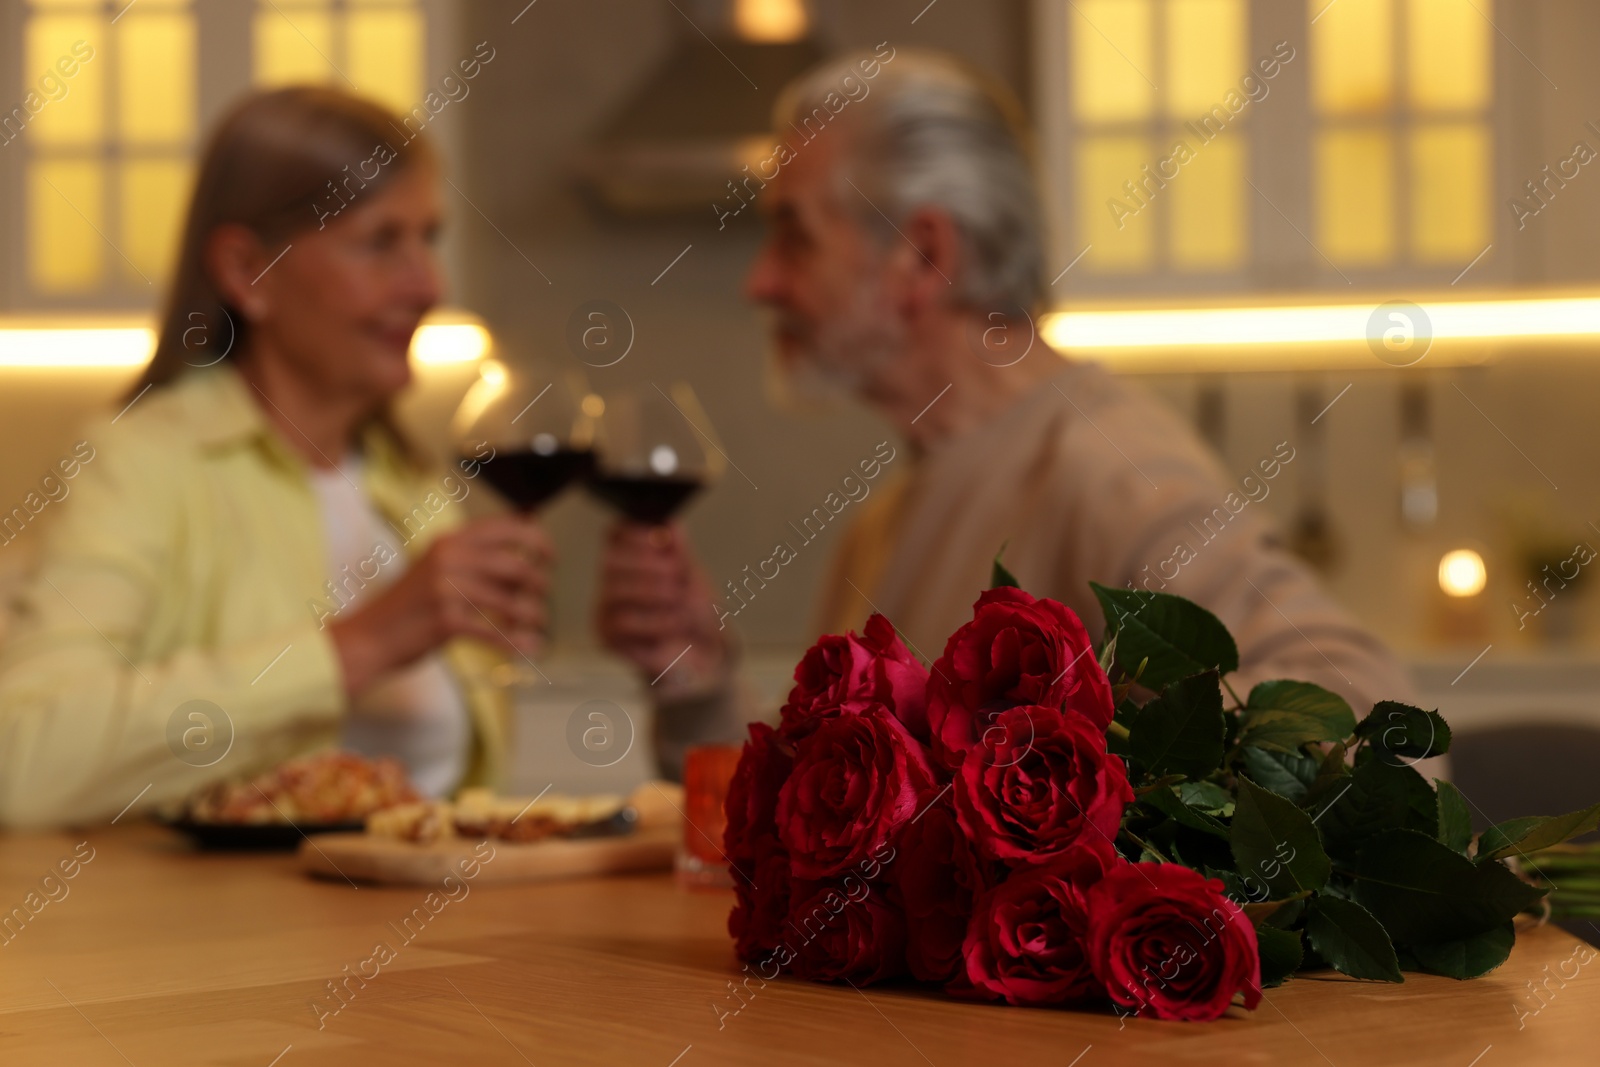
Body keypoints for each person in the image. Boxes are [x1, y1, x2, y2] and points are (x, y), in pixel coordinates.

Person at [597, 50, 1416, 764]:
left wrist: (1082, 817)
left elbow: (1361, 715)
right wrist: (694, 676)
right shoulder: (884, 523)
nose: (760, 283)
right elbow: (835, 835)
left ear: (923, 254)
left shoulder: (1109, 467)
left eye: (794, 235)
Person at [0, 88, 551, 828]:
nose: (430, 286)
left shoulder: (409, 483)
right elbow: (23, 763)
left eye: (430, 238)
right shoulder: (140, 462)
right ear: (246, 270)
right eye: (381, 241)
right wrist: (360, 644)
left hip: (435, 940)